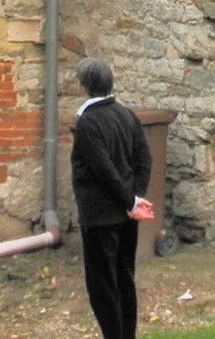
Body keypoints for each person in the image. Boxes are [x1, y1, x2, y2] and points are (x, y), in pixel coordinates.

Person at [69, 57, 153, 339]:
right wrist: (135, 199)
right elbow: (145, 160)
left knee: (103, 286)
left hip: (100, 217)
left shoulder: (88, 123)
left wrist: (131, 201)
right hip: (126, 215)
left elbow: (104, 171)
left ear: (84, 86)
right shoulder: (127, 115)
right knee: (124, 280)